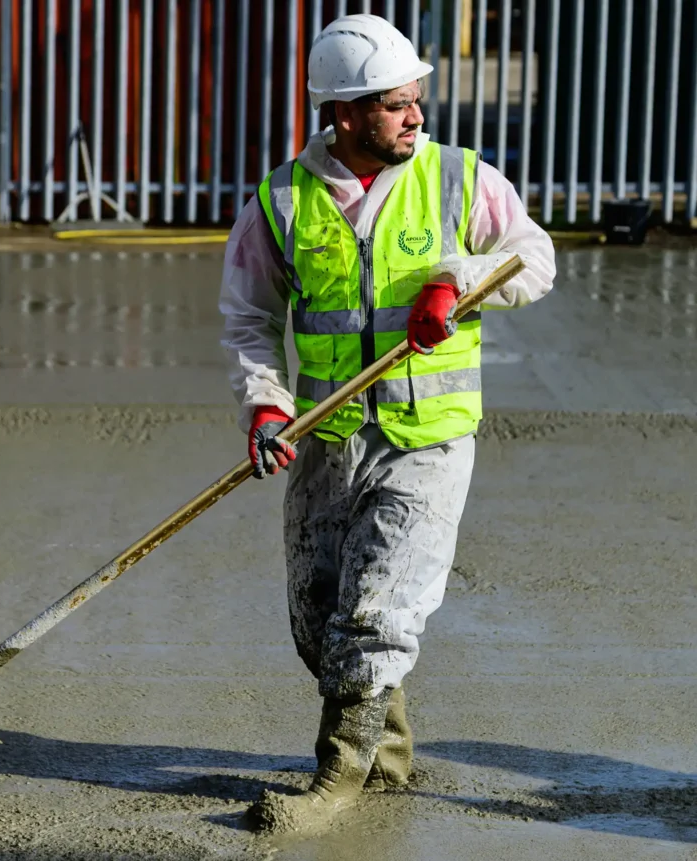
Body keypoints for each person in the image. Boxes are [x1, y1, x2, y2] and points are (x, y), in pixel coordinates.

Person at [219, 13, 556, 833]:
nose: (417, 116)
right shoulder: (280, 202)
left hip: (427, 438)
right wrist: (266, 403)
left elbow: (534, 256)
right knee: (319, 615)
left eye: (416, 100)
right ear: (343, 115)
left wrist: (457, 280)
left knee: (375, 614)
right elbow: (247, 319)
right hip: (328, 440)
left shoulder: (456, 178)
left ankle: (335, 779)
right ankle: (387, 753)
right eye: (396, 104)